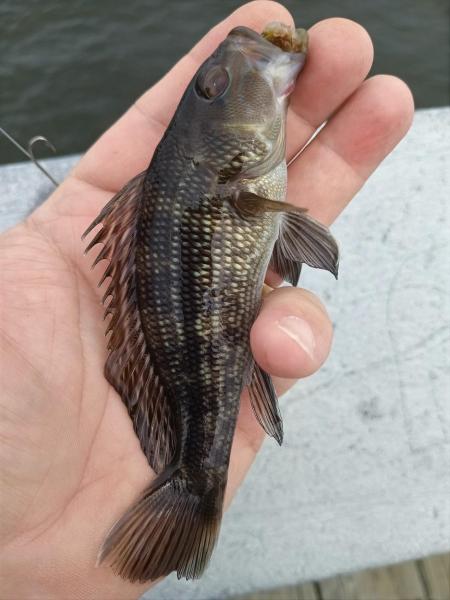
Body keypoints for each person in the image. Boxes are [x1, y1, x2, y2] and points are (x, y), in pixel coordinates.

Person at [0, 1, 413, 598]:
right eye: (214, 86)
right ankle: (196, 477)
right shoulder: (228, 177)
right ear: (215, 145)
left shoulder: (230, 174)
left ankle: (194, 475)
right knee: (278, 331)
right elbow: (299, 238)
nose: (226, 75)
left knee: (281, 332)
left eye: (211, 85)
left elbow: (290, 233)